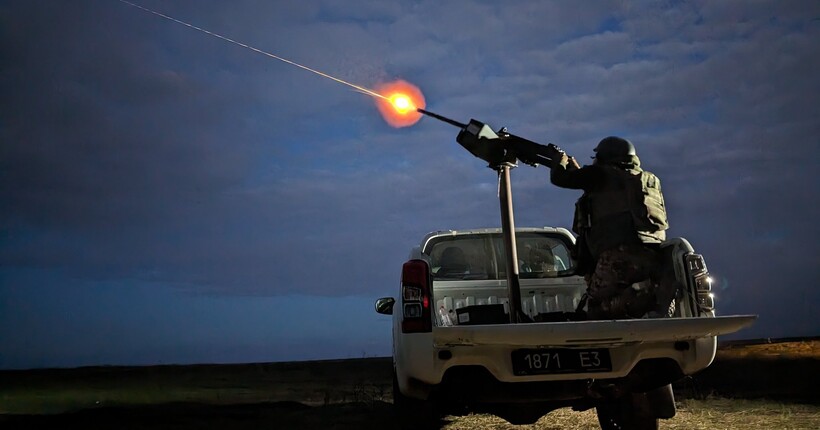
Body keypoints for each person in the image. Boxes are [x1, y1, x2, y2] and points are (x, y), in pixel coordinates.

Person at [550, 136, 670, 319]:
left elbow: (561, 178)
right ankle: (645, 301)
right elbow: (607, 193)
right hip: (652, 255)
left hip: (617, 256)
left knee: (596, 309)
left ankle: (642, 302)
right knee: (620, 301)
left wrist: (559, 160)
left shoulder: (600, 174)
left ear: (603, 157)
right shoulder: (647, 179)